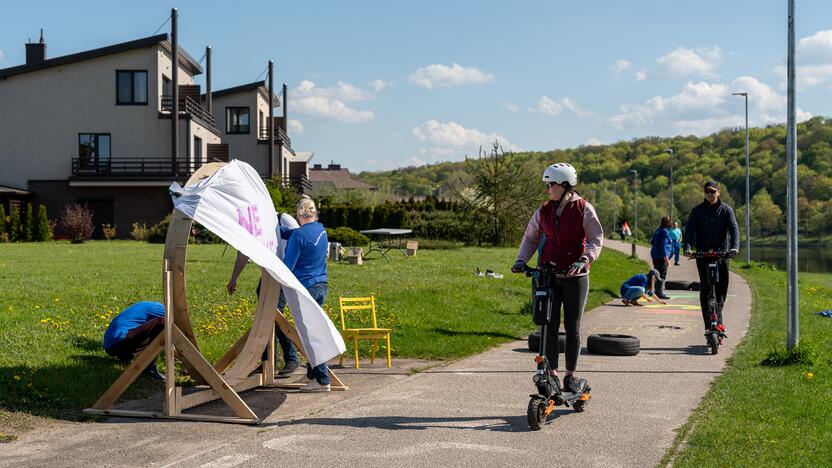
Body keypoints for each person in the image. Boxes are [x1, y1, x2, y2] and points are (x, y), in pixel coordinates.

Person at [511, 163, 604, 393]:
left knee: (572, 328)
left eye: (550, 185)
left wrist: (585, 259)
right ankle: (551, 374)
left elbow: (596, 238)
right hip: (548, 275)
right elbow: (531, 237)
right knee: (548, 327)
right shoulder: (544, 210)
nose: (547, 189)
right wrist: (521, 260)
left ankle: (570, 377)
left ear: (564, 185)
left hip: (575, 277)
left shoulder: (584, 209)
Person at [227, 211, 301, 378]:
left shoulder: (284, 219)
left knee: (275, 317)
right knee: (267, 319)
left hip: (283, 276)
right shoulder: (253, 223)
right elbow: (244, 252)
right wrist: (234, 278)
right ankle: (268, 362)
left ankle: (291, 358)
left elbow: (300, 241)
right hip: (267, 278)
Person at [280, 196, 332, 392]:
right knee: (315, 330)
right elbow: (300, 234)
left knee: (311, 336)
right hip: (321, 285)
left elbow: (288, 267)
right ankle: (313, 374)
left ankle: (322, 380)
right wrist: (281, 232)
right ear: (314, 213)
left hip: (306, 288)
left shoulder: (298, 237)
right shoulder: (321, 229)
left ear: (298, 214)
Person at [683, 181, 740, 335]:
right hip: (703, 254)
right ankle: (709, 326)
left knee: (722, 288)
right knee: (705, 289)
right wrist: (687, 248)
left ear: (718, 192)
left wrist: (734, 247)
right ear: (704, 193)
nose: (710, 194)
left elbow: (734, 229)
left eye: (713, 191)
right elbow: (689, 232)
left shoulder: (726, 210)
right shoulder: (697, 211)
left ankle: (718, 322)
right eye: (707, 191)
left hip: (721, 254)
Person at [104, 301, 166, 380]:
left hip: (110, 345)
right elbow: (176, 327)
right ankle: (148, 366)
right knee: (162, 322)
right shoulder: (164, 310)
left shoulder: (151, 305)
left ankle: (125, 357)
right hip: (120, 341)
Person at [649, 216, 673, 300]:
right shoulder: (664, 232)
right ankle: (659, 292)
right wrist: (666, 259)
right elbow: (662, 246)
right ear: (667, 223)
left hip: (655, 255)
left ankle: (655, 291)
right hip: (661, 256)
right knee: (661, 274)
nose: (671, 224)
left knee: (657, 272)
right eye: (670, 222)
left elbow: (652, 242)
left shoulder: (657, 230)